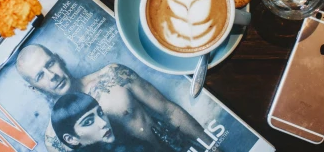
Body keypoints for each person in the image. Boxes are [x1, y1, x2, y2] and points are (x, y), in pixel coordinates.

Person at [16, 44, 206, 152]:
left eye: (50, 64)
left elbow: (169, 112)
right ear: (34, 88)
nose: (52, 76)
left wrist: (212, 147)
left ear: (58, 59)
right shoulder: (54, 138)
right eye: (40, 76)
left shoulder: (113, 76)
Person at [50, 92, 150, 152]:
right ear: (71, 139)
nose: (103, 123)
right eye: (88, 121)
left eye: (100, 113)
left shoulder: (135, 146)